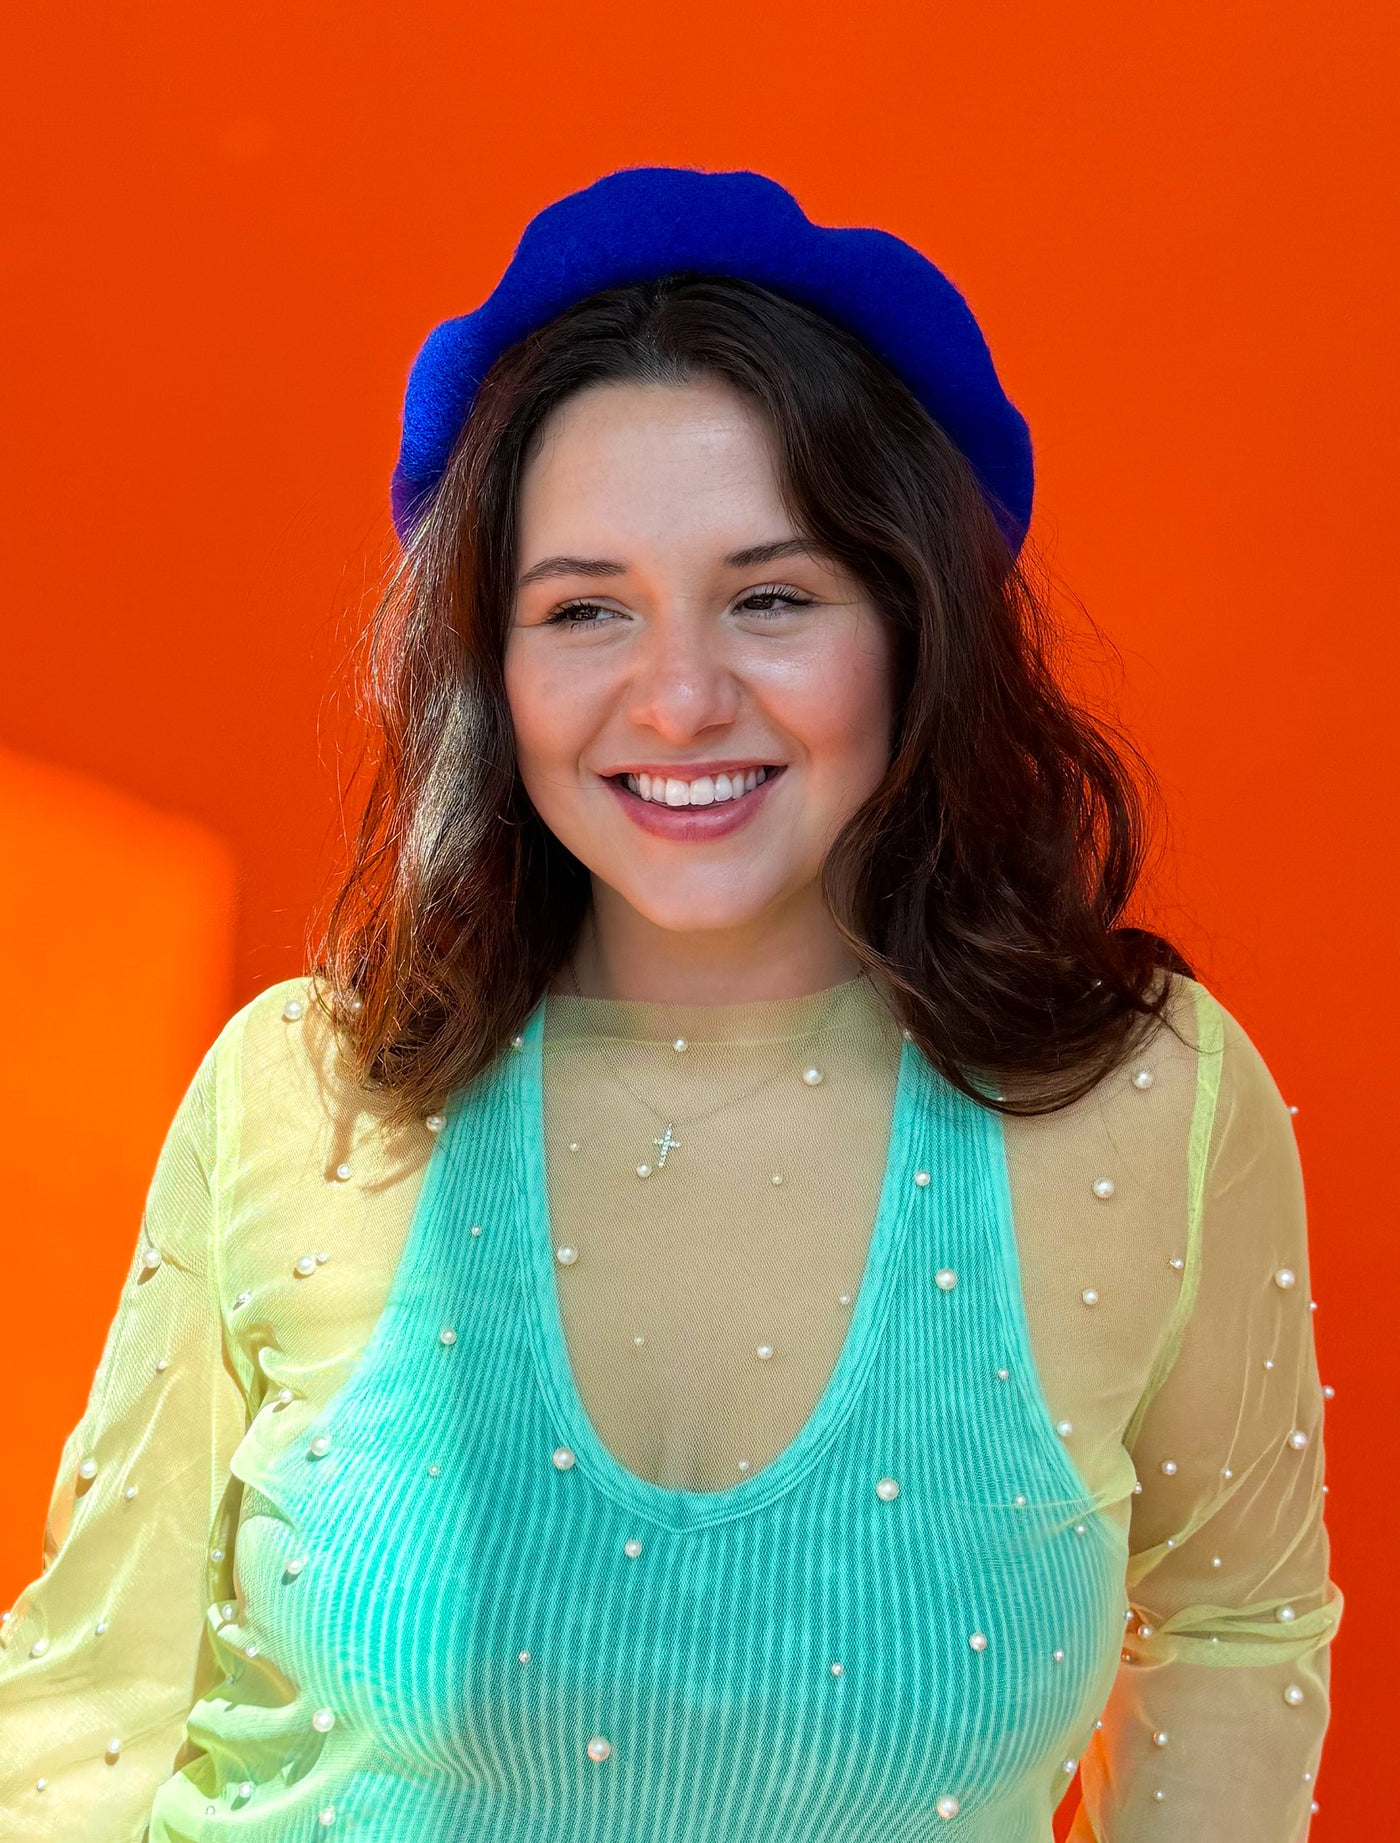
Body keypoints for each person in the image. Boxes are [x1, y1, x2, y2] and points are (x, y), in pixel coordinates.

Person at [0, 165, 1342, 1840]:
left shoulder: (1145, 1100)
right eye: (584, 610)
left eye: (771, 597)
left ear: (912, 623)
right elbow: (85, 1711)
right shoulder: (299, 1092)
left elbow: (1234, 1626)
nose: (681, 697)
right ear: (489, 667)